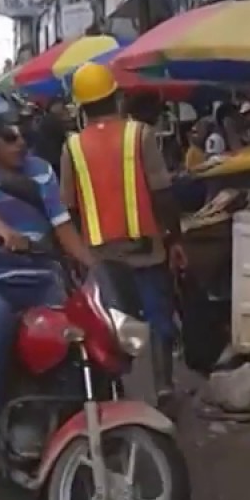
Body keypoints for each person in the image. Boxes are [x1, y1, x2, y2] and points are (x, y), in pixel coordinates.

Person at [0, 94, 96, 458]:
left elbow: (63, 227)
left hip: (41, 280)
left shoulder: (41, 171)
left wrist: (96, 270)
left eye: (22, 135)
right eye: (9, 137)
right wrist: (3, 231)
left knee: (76, 327)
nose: (21, 143)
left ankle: (70, 403)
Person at [57, 62, 187, 411]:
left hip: (99, 255)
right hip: (146, 250)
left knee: (110, 324)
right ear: (116, 97)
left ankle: (114, 393)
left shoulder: (73, 147)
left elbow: (69, 208)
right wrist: (174, 238)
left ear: (82, 106)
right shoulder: (140, 135)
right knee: (158, 320)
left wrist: (76, 254)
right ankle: (163, 388)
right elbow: (162, 193)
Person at [33, 97, 69, 174]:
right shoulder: (52, 121)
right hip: (54, 160)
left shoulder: (46, 119)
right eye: (63, 107)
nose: (65, 109)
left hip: (47, 159)